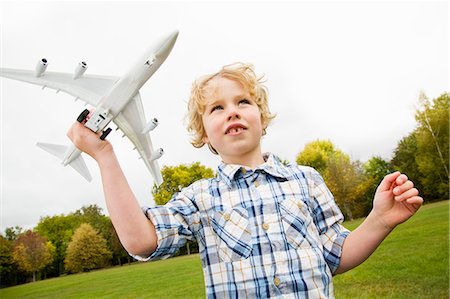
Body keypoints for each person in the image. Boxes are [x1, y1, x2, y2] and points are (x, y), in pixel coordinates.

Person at [67, 62, 423, 298]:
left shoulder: (307, 180)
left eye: (243, 102)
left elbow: (336, 255)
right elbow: (140, 241)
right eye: (216, 108)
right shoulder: (199, 198)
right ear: (203, 132)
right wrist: (105, 156)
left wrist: (378, 221)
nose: (232, 110)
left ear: (262, 117)